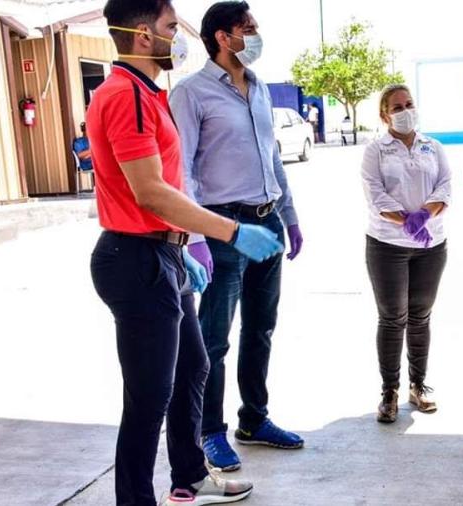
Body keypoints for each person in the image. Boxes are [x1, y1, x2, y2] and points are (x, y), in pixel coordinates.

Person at [89, 1, 282, 504]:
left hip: (164, 254)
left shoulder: (150, 94)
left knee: (193, 367)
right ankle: (135, 498)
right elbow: (151, 191)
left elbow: (169, 185)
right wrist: (229, 232)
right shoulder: (124, 95)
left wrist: (186, 246)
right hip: (135, 259)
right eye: (172, 27)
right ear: (142, 34)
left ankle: (189, 474)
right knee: (148, 398)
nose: (180, 38)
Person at [169, 0, 305, 473]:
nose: (256, 34)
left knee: (261, 328)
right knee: (214, 339)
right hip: (222, 225)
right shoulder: (191, 93)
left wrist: (288, 217)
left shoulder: (261, 87)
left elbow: (273, 161)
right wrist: (196, 235)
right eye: (248, 28)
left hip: (265, 222)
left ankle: (255, 420)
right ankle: (210, 431)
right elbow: (180, 168)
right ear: (222, 37)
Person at [361, 84, 451, 423]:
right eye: (396, 107)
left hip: (430, 244)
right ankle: (390, 390)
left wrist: (424, 216)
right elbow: (375, 193)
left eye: (409, 104)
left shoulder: (433, 147)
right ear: (385, 115)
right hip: (387, 245)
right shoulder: (376, 151)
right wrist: (404, 220)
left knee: (420, 316)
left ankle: (419, 384)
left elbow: (445, 185)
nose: (404, 110)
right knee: (392, 317)